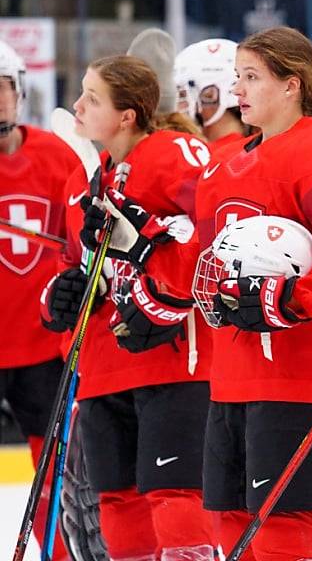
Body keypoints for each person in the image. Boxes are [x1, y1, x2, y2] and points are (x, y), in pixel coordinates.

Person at [134, 26, 312, 560]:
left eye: (251, 77)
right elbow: (200, 267)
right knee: (227, 522)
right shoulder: (222, 163)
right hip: (232, 373)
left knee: (281, 527)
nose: (238, 89)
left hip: (302, 373)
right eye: (238, 76)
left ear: (292, 84)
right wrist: (142, 248)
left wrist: (293, 297)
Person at [53, 51, 216, 560]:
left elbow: (212, 240)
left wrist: (148, 242)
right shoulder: (86, 179)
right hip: (105, 363)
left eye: (92, 96)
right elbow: (82, 267)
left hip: (171, 364)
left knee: (175, 495)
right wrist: (63, 295)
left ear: (128, 115)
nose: (77, 104)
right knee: (116, 500)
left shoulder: (177, 153)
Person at [0, 38, 77, 561]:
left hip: (43, 345)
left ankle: (61, 554)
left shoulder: (55, 155)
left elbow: (84, 242)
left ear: (19, 91)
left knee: (54, 468)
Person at [174, 38, 253, 151]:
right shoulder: (251, 146)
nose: (178, 106)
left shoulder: (215, 156)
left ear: (210, 95)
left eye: (183, 94)